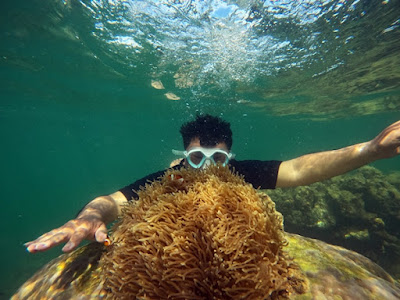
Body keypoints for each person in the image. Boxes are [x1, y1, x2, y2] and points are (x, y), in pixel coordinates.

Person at [25, 115, 400, 253]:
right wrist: (88, 216)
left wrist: (369, 150)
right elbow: (111, 201)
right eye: (195, 159)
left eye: (217, 159)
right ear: (183, 158)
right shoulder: (167, 180)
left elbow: (301, 169)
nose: (206, 169)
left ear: (229, 160)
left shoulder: (242, 173)